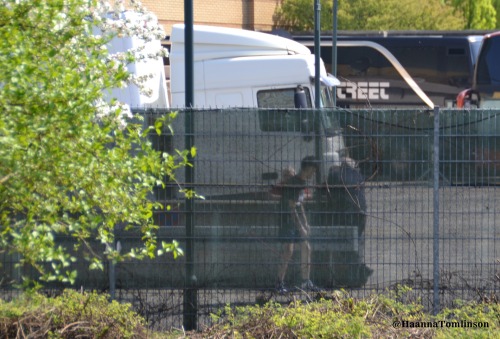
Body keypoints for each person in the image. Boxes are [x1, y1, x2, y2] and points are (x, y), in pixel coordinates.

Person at [276, 156, 319, 293]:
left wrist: (305, 222)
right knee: (288, 251)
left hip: (295, 220)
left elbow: (300, 204)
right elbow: (291, 207)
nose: (314, 173)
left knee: (306, 247)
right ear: (309, 168)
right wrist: (300, 226)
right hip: (287, 220)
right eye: (313, 170)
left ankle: (306, 281)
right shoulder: (295, 183)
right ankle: (279, 282)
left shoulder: (302, 182)